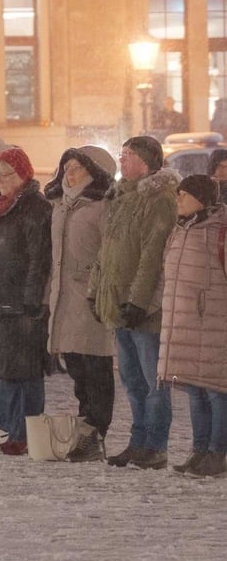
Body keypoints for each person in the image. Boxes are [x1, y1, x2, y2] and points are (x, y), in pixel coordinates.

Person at [88, 136, 179, 469]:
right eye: (121, 155)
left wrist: (138, 302)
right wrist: (95, 290)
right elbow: (107, 250)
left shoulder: (159, 199)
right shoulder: (121, 197)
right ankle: (138, 441)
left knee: (152, 381)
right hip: (119, 305)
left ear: (147, 161)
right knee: (131, 380)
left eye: (128, 156)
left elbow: (153, 256)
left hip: (145, 310)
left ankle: (154, 445)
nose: (122, 161)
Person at [0, 147, 52, 455]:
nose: (0, 181)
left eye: (7, 175)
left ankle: (21, 432)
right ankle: (7, 428)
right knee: (1, 370)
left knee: (22, 372)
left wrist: (31, 302)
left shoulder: (35, 209)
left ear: (23, 174)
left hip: (20, 305)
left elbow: (38, 260)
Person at [44, 146, 118, 461]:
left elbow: (111, 253)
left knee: (96, 368)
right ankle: (85, 427)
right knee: (76, 366)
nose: (69, 174)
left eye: (77, 168)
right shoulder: (59, 205)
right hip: (63, 297)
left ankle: (95, 433)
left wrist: (98, 286)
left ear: (94, 172)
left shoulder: (104, 206)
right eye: (67, 168)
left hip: (91, 298)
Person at [158, 175, 227, 477]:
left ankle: (218, 452)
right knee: (196, 391)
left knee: (217, 391)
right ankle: (199, 450)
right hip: (185, 322)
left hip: (214, 325)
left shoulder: (219, 231)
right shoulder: (179, 230)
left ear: (202, 198)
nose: (178, 200)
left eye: (183, 194)